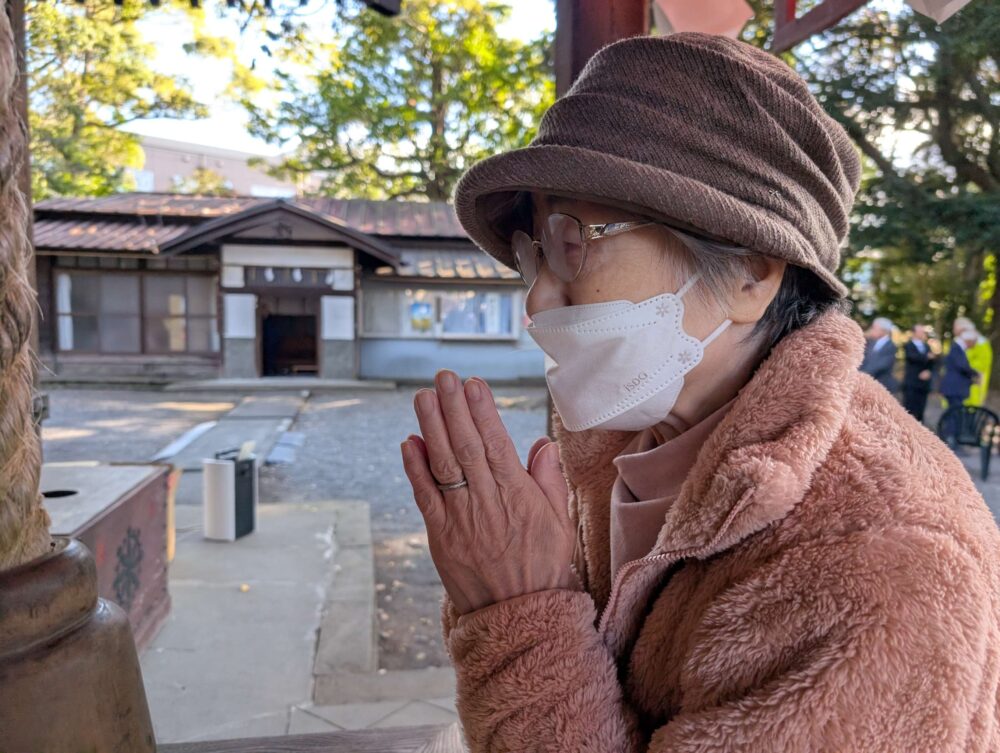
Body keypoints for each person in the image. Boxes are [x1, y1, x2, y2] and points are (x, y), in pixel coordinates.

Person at [399, 34, 1000, 752]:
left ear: (752, 270)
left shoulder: (881, 563)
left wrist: (517, 611)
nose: (537, 298)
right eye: (532, 253)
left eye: (573, 240)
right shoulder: (630, 436)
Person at [901, 323, 936, 422]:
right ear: (914, 333)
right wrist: (926, 357)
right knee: (909, 409)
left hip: (923, 384)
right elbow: (912, 357)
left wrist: (928, 371)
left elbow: (932, 362)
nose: (922, 334)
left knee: (921, 408)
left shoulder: (927, 346)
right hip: (911, 383)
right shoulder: (909, 345)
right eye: (920, 331)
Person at [859, 316, 899, 394]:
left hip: (880, 385)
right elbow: (863, 359)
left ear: (883, 330)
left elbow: (881, 365)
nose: (872, 330)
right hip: (866, 383)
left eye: (874, 328)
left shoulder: (891, 346)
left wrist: (862, 374)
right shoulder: (871, 342)